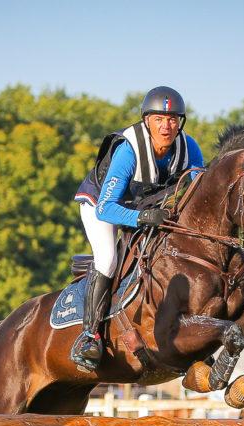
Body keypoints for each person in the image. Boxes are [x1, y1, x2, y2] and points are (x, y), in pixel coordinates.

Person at [71, 85, 205, 370]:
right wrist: (143, 219)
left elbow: (199, 193)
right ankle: (89, 336)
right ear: (146, 121)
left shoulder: (189, 148)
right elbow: (107, 209)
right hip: (101, 205)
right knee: (108, 258)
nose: (167, 126)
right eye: (159, 119)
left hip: (147, 208)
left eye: (172, 120)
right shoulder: (128, 150)